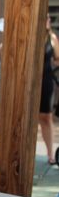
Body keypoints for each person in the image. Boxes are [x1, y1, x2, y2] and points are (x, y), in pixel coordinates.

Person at [40, 14, 59, 164]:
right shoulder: (31, 36)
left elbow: (58, 58)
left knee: (46, 117)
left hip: (46, 81)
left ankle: (50, 154)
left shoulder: (52, 38)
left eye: (48, 18)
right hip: (29, 82)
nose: (48, 20)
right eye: (44, 18)